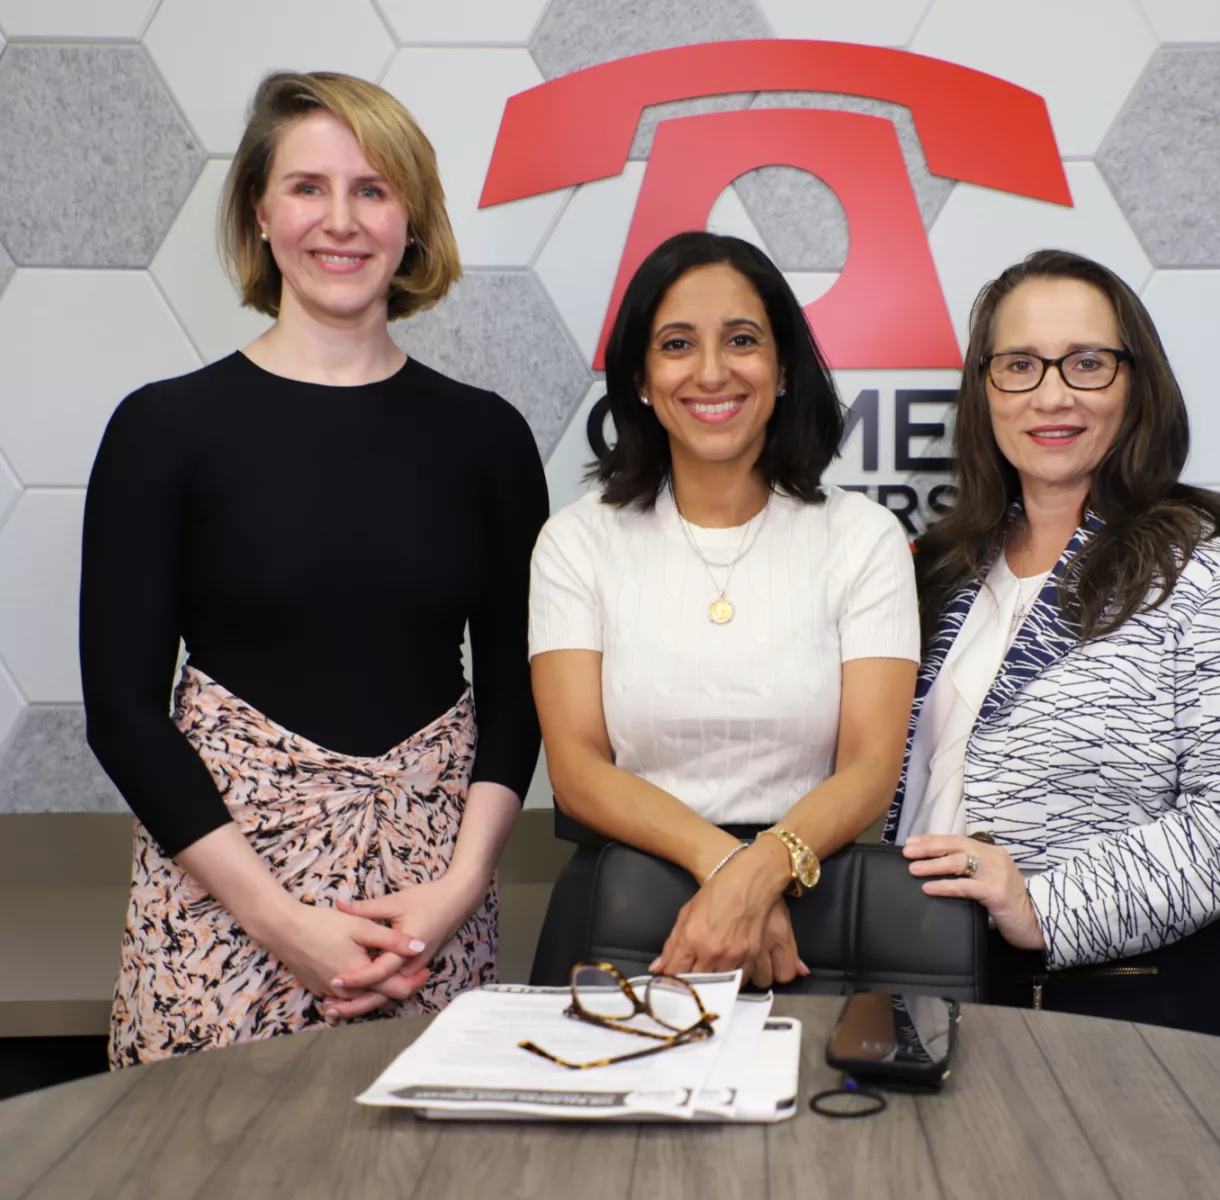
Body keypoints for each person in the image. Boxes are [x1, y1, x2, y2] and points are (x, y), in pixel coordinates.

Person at [80, 72, 547, 1067]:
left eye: (373, 189)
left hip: (426, 915)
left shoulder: (487, 439)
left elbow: (516, 697)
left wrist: (454, 894)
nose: (340, 221)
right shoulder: (162, 431)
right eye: (308, 187)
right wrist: (280, 922)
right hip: (221, 909)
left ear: (412, 217)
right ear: (259, 209)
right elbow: (123, 711)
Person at [888, 250, 1220, 1040]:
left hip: (1117, 1008)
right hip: (922, 992)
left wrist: (1040, 905)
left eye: (1086, 363)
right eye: (1019, 365)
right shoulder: (935, 570)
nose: (1051, 394)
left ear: (1135, 384)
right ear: (985, 390)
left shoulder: (1216, 571)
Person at [528, 231, 919, 989]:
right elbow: (575, 771)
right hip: (622, 909)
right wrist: (729, 870)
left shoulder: (861, 537)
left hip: (810, 916)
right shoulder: (578, 541)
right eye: (677, 344)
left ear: (781, 371)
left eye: (742, 340)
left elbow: (872, 765)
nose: (711, 371)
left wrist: (765, 872)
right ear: (641, 378)